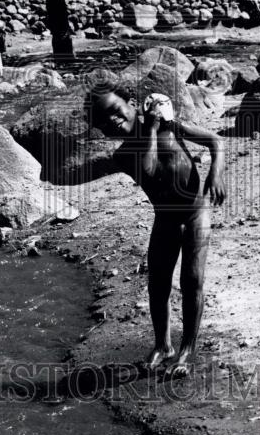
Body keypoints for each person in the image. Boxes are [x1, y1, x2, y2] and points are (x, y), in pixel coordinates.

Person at [88, 83, 225, 376]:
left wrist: (215, 174)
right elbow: (148, 168)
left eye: (115, 111)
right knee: (158, 285)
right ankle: (163, 345)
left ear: (132, 103)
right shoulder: (123, 155)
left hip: (195, 213)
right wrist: (150, 127)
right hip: (165, 219)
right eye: (103, 121)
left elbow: (215, 141)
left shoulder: (171, 127)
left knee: (192, 280)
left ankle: (187, 348)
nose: (112, 120)